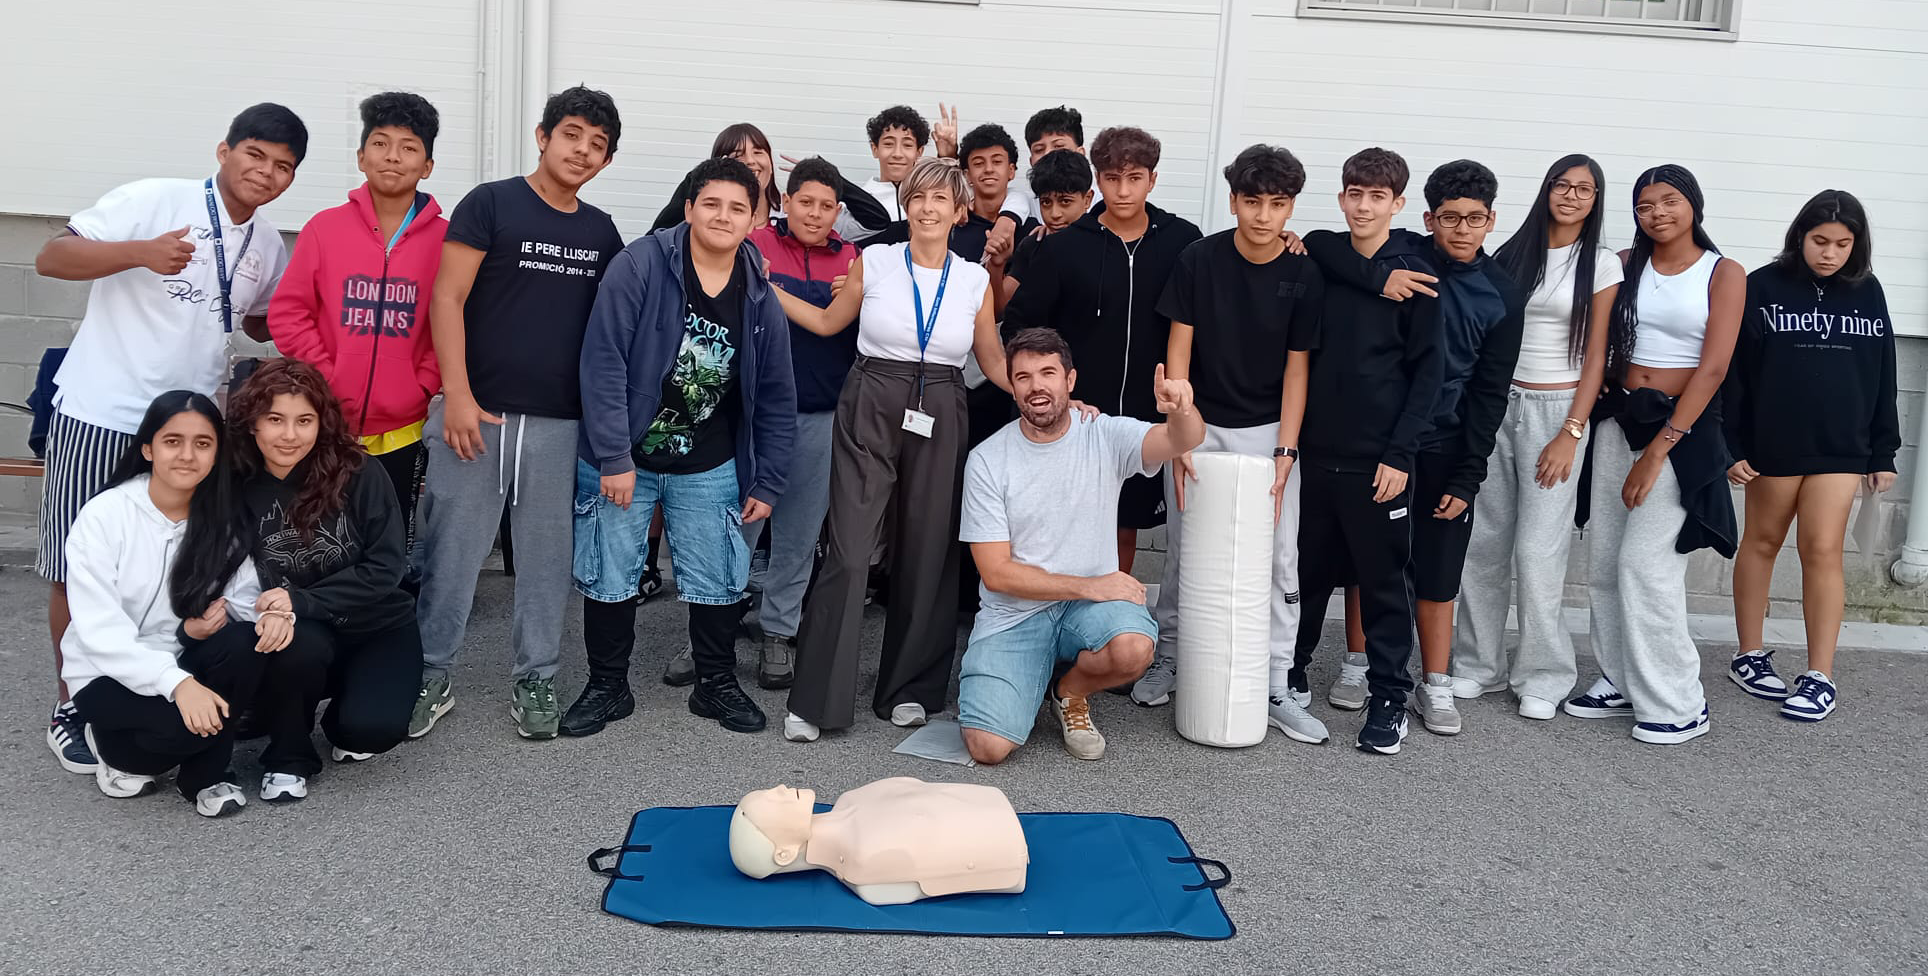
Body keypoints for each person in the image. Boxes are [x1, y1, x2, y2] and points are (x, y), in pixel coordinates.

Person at [33, 103, 307, 774]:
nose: (265, 173)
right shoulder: (155, 199)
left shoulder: (266, 243)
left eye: (283, 166)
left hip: (191, 432)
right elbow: (51, 257)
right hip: (104, 412)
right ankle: (72, 705)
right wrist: (141, 252)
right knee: (73, 565)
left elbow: (260, 319)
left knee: (190, 563)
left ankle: (161, 685)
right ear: (224, 150)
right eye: (255, 155)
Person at [410, 86, 626, 741]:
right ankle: (429, 672)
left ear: (606, 160)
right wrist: (457, 395)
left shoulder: (600, 231)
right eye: (572, 135)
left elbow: (611, 327)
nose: (581, 151)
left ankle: (537, 676)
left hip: (560, 423)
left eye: (597, 145)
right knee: (452, 551)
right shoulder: (491, 204)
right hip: (477, 414)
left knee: (545, 559)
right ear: (542, 136)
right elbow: (447, 299)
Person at [773, 157, 1012, 744]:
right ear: (906, 204)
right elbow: (827, 323)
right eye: (918, 197)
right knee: (851, 549)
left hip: (942, 401)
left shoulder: (973, 281)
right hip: (872, 397)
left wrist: (1049, 396)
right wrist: (768, 289)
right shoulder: (874, 260)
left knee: (927, 549)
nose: (928, 208)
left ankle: (910, 689)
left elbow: (992, 361)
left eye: (941, 199)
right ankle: (817, 698)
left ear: (960, 212)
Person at [566, 157, 796, 737]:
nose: (723, 216)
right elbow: (603, 363)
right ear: (690, 208)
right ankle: (607, 686)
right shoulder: (640, 265)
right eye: (711, 203)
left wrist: (768, 480)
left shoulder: (760, 295)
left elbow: (775, 395)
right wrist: (614, 456)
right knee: (611, 574)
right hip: (626, 456)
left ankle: (715, 685)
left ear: (754, 219)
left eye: (738, 208)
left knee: (718, 575)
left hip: (709, 459)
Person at [1306, 160, 1524, 736]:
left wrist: (1468, 474)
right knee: (1368, 559)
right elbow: (1323, 244)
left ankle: (1436, 681)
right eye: (1449, 218)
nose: (1461, 229)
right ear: (1427, 218)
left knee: (1437, 565)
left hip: (1446, 442)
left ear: (1491, 220)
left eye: (1474, 219)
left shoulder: (1502, 294)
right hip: (1381, 438)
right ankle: (1358, 664)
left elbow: (1490, 391)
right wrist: (1377, 279)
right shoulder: (1402, 253)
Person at [1145, 144, 1327, 745]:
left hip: (1270, 430)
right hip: (1200, 424)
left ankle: (1277, 682)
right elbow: (1179, 347)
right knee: (1185, 546)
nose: (1263, 215)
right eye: (1253, 202)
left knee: (1278, 556)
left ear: (1291, 207)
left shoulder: (1304, 273)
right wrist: (1180, 432)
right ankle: (1171, 657)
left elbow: (1298, 369)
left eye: (1277, 204)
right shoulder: (1199, 259)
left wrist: (1286, 451)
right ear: (1233, 202)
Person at [959, 329, 1204, 764]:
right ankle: (1022, 677)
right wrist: (1090, 586)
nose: (1036, 386)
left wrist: (1181, 410)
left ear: (1070, 380)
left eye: (1047, 373)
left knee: (1134, 647)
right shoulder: (987, 460)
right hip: (1015, 615)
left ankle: (1069, 691)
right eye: (1023, 377)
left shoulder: (1102, 433)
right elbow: (996, 574)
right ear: (1012, 386)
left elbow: (1181, 440)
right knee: (988, 748)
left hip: (1089, 610)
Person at [1567, 165, 1742, 746]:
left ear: (1693, 204)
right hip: (1618, 420)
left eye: (1669, 201)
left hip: (1678, 430)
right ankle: (1621, 679)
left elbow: (1713, 368)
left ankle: (1678, 701)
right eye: (1645, 206)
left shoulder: (1723, 272)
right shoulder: (1624, 263)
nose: (1657, 213)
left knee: (1647, 566)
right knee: (1604, 563)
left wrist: (1659, 448)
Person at [60, 391, 291, 818]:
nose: (187, 455)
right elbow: (100, 632)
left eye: (202, 443)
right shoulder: (105, 516)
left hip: (182, 656)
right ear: (148, 448)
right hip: (104, 673)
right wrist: (178, 684)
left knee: (247, 642)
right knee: (176, 737)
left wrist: (275, 614)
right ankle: (111, 749)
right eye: (172, 441)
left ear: (216, 454)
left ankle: (206, 777)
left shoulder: (221, 521)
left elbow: (244, 600)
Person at [1455, 155, 1621, 720]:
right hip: (1499, 404)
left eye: (1584, 189)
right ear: (1547, 190)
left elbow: (1597, 355)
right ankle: (1478, 664)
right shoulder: (1511, 254)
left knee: (1538, 550)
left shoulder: (1601, 264)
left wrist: (1572, 431)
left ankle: (1544, 675)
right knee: (1484, 543)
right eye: (1562, 185)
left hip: (1557, 412)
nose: (1571, 195)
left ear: (1596, 200)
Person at [1724, 189, 1898, 723]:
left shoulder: (1868, 291)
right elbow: (1735, 373)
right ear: (1800, 235)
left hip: (1841, 446)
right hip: (1772, 445)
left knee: (1822, 549)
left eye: (1843, 244)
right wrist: (1732, 446)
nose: (1830, 253)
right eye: (1820, 241)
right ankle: (1749, 655)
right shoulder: (1762, 286)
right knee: (1762, 541)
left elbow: (1883, 371)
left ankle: (1819, 675)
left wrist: (1883, 451)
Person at [1289, 147, 1441, 755]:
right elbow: (1320, 243)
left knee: (1383, 584)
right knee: (1304, 575)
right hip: (1315, 455)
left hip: (1378, 461)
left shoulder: (1419, 277)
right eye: (1355, 193)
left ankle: (1389, 698)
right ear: (1342, 196)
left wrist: (1400, 456)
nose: (1363, 206)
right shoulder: (1326, 259)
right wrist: (1376, 279)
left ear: (1397, 203)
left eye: (1377, 196)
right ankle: (1291, 674)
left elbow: (1429, 378)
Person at [1004, 126, 1202, 580]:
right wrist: (1054, 390)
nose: (1123, 191)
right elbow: (1020, 324)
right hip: (1077, 414)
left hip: (1143, 417)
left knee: (1122, 525)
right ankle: (1050, 612)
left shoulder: (1183, 241)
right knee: (1056, 525)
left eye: (1134, 178)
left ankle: (1113, 613)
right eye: (1112, 178)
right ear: (1098, 179)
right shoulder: (1065, 246)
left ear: (1152, 179)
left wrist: (1290, 241)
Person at [228, 360, 422, 801]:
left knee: (368, 731)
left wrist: (299, 600)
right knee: (292, 653)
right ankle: (288, 753)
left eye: (304, 420)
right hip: (300, 631)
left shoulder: (359, 471)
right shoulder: (235, 479)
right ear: (252, 422)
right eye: (275, 419)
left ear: (322, 423)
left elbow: (386, 567)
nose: (289, 435)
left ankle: (341, 706)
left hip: (377, 626)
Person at [269, 92, 447, 542]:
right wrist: (325, 376)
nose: (393, 156)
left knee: (389, 537)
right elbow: (289, 312)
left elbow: (453, 323)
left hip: (403, 429)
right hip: (326, 422)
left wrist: (422, 383)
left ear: (427, 165)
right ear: (361, 157)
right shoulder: (324, 228)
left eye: (409, 147)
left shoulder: (447, 242)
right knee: (318, 535)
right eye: (380, 143)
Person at [735, 157, 864, 690]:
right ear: (785, 201)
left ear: (838, 211)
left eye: (826, 205)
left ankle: (778, 632)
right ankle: (709, 631)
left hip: (821, 415)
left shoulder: (853, 259)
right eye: (804, 201)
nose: (814, 213)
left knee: (798, 533)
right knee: (736, 529)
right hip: (755, 416)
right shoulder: (754, 245)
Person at [649, 123, 890, 235]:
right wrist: (701, 176)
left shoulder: (794, 213)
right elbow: (657, 236)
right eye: (737, 156)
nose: (750, 161)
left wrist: (828, 176)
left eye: (758, 152)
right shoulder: (709, 219)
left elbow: (876, 220)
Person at [995, 149, 1094, 315]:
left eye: (1065, 201)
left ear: (1087, 199)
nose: (1055, 214)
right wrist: (997, 265)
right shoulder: (1034, 245)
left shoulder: (1104, 245)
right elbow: (1000, 309)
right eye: (1046, 202)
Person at [833, 105, 931, 243]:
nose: (897, 154)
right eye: (889, 144)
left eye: (907, 145)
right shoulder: (855, 205)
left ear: (919, 152)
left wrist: (949, 155)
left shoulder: (930, 201)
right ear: (875, 149)